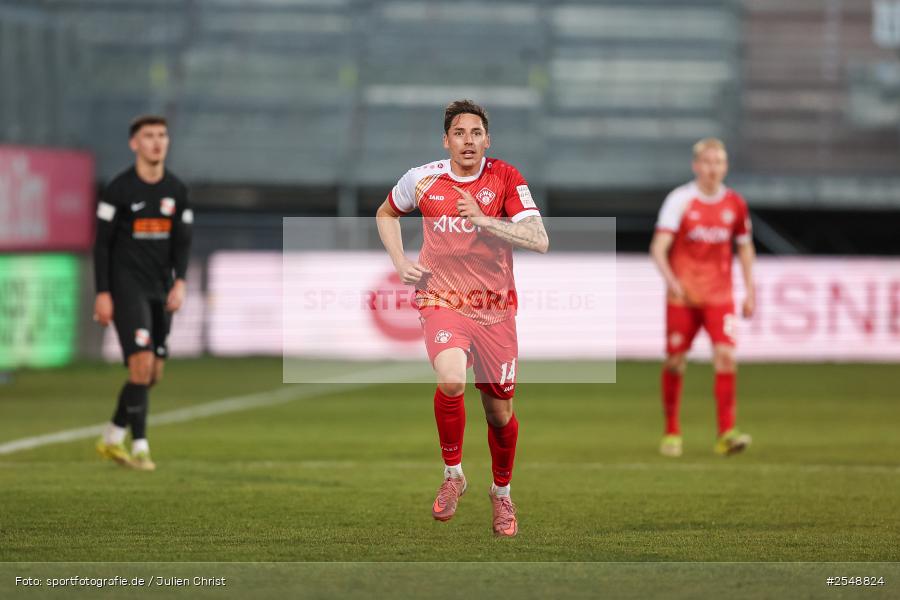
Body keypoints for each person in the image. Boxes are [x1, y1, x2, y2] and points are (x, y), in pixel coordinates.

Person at [376, 100, 548, 537]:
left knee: (500, 415)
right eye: (459, 133)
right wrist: (399, 261)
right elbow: (386, 213)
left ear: (487, 140)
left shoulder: (506, 178)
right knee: (450, 379)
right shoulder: (422, 178)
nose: (467, 141)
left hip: (495, 311)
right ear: (446, 140)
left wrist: (487, 220)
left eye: (476, 133)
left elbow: (539, 239)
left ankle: (502, 495)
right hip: (442, 299)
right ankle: (453, 475)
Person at [92, 115, 193, 471]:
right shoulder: (118, 190)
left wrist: (180, 281)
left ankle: (111, 436)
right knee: (141, 364)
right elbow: (102, 245)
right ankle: (140, 446)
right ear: (134, 143)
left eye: (162, 135)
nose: (157, 142)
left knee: (153, 374)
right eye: (148, 136)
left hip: (160, 288)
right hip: (126, 287)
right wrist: (103, 292)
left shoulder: (177, 191)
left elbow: (183, 244)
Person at [650, 137, 755, 458]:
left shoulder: (735, 204)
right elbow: (658, 248)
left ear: (725, 166)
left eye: (718, 162)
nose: (712, 168)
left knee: (726, 357)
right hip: (683, 297)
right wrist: (671, 280)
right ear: (696, 165)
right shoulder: (680, 201)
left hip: (719, 296)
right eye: (707, 162)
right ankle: (672, 430)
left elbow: (745, 246)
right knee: (675, 362)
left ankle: (726, 433)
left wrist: (750, 290)